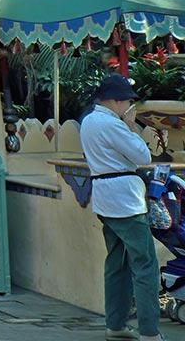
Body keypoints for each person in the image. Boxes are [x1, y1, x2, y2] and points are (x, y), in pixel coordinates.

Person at [80, 74, 163, 341]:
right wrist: (130, 126)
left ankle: (115, 325)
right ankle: (149, 332)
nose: (129, 106)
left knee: (118, 263)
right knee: (145, 265)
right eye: (127, 101)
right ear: (115, 101)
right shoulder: (111, 124)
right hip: (125, 201)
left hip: (105, 199)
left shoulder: (90, 121)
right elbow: (142, 156)